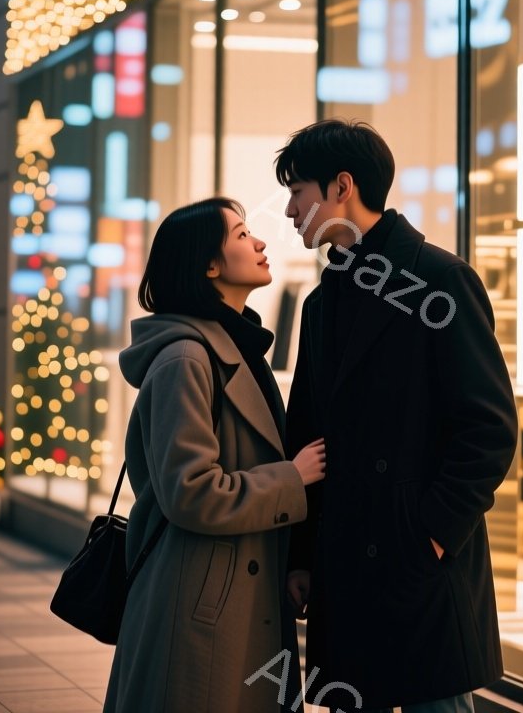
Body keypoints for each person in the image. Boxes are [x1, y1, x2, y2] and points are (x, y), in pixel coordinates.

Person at [278, 120, 517, 713]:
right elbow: (306, 436)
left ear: (341, 187)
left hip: (417, 562)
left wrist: (433, 533)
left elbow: (489, 427)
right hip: (346, 564)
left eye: (298, 192)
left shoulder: (438, 279)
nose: (289, 210)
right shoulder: (322, 302)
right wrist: (303, 555)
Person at [106, 197, 326, 713]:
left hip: (231, 597)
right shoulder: (187, 359)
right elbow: (192, 491)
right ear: (209, 265)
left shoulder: (233, 349)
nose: (261, 243)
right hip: (200, 604)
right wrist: (291, 479)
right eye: (243, 235)